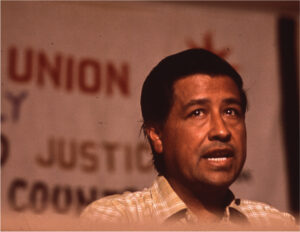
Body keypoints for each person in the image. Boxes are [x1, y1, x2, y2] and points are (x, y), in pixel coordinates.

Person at [80, 49, 296, 229]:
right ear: (157, 134)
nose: (221, 131)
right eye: (197, 113)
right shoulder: (117, 219)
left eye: (230, 111)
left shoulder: (275, 224)